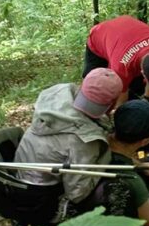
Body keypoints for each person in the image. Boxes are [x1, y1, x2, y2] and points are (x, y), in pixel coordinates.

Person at [14, 68, 124, 218]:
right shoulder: (84, 141)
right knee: (114, 187)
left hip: (20, 175)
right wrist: (104, 157)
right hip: (39, 199)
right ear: (113, 104)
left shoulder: (58, 96)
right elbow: (77, 194)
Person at [83, 15, 149, 106]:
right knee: (96, 86)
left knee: (137, 87)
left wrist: (147, 100)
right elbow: (121, 101)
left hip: (122, 37)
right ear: (143, 74)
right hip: (99, 37)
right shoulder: (121, 67)